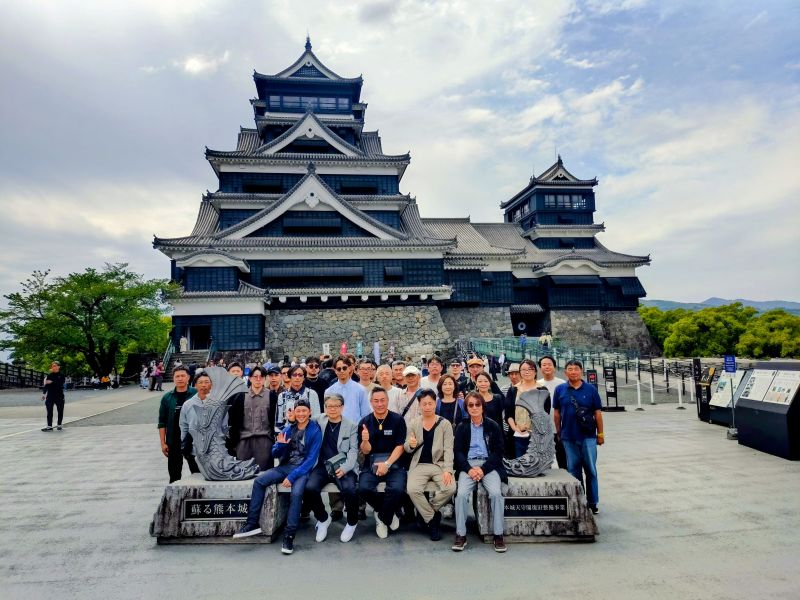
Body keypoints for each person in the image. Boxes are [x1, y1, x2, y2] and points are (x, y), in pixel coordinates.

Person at [233, 399, 322, 555]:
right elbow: (274, 453)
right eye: (298, 411)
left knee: (296, 494)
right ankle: (252, 523)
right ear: (294, 413)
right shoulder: (289, 429)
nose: (301, 414)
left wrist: (292, 477)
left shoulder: (315, 430)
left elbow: (310, 460)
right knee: (259, 481)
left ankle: (289, 535)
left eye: (304, 411)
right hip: (285, 467)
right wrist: (281, 445)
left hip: (302, 470)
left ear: (310, 412)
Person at [452, 392, 507, 553]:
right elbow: (458, 452)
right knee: (461, 495)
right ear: (466, 408)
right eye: (471, 405)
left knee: (496, 494)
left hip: (488, 465)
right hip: (468, 466)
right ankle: (461, 535)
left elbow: (498, 452)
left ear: (483, 407)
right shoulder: (462, 427)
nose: (474, 408)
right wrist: (469, 469)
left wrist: (483, 470)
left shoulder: (493, 426)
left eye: (478, 404)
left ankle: (498, 535)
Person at [303, 393, 360, 543]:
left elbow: (353, 450)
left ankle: (352, 522)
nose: (332, 409)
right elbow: (302, 420)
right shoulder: (318, 420)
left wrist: (346, 468)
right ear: (325, 407)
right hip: (322, 465)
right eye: (329, 406)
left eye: (336, 406)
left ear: (342, 407)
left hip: (342, 465)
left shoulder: (351, 425)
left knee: (349, 489)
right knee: (309, 488)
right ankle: (323, 518)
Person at [552, 360, 604, 515]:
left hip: (588, 436)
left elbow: (597, 413)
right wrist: (559, 432)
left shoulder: (591, 389)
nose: (573, 371)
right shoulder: (560, 389)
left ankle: (593, 502)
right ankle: (579, 501)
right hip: (568, 436)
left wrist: (600, 434)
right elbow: (557, 413)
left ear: (581, 371)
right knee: (573, 470)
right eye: (570, 369)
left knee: (591, 470)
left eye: (576, 369)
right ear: (565, 372)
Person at [404, 389, 456, 541]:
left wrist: (448, 470)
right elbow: (407, 448)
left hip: (439, 464)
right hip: (419, 465)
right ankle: (433, 520)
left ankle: (426, 513)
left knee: (450, 488)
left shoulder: (444, 424)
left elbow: (448, 449)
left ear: (435, 404)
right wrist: (411, 444)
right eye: (424, 404)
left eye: (430, 403)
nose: (427, 407)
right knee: (412, 489)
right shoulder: (414, 423)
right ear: (419, 405)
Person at [358, 387, 408, 539]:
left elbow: (400, 446)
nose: (379, 404)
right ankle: (386, 512)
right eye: (376, 401)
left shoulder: (397, 420)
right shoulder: (365, 422)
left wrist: (386, 464)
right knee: (364, 488)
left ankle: (382, 518)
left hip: (394, 462)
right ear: (371, 402)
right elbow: (365, 451)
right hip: (371, 463)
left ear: (387, 400)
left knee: (397, 489)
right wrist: (365, 440)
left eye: (382, 400)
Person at [227, 366, 274, 471]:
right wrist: (233, 443)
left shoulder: (271, 396)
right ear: (250, 378)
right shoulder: (241, 396)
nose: (258, 379)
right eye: (255, 376)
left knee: (264, 474)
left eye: (261, 377)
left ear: (265, 379)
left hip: (265, 441)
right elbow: (233, 422)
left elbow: (273, 420)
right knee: (244, 473)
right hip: (244, 441)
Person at [157, 366, 199, 482]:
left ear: (188, 377)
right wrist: (163, 443)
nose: (180, 379)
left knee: (198, 472)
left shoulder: (196, 394)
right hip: (173, 440)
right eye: (177, 376)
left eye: (183, 376)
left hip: (193, 440)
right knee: (174, 475)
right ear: (173, 378)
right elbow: (162, 422)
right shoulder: (167, 398)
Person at [506, 359, 550, 458]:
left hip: (537, 436)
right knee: (519, 463)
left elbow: (545, 413)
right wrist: (514, 428)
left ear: (535, 372)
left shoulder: (542, 390)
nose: (527, 372)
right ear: (520, 372)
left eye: (530, 369)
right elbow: (508, 413)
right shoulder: (513, 390)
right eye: (524, 369)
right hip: (517, 434)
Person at [538, 355, 567, 468]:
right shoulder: (537, 384)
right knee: (545, 462)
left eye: (549, 364)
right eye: (544, 365)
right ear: (540, 368)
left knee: (563, 460)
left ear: (554, 367)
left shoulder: (562, 384)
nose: (547, 367)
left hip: (560, 428)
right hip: (543, 430)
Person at [324, 355, 370, 426]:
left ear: (349, 368)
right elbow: (327, 415)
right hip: (336, 429)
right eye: (339, 369)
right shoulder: (329, 391)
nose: (342, 371)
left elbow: (366, 415)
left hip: (355, 430)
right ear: (335, 371)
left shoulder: (360, 390)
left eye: (344, 368)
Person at [276, 366, 321, 432]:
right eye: (294, 375)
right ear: (290, 377)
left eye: (300, 375)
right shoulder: (282, 396)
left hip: (308, 433)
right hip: (288, 433)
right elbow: (279, 421)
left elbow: (316, 418)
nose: (297, 377)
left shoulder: (312, 394)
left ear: (304, 377)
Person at [41, 361, 66, 432]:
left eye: (55, 366)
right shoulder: (49, 375)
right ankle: (49, 426)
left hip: (59, 395)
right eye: (52, 366)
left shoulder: (62, 375)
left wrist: (52, 382)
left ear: (58, 367)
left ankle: (59, 425)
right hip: (50, 396)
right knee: (49, 411)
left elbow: (60, 383)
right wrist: (44, 394)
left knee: (60, 411)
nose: (53, 367)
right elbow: (47, 385)